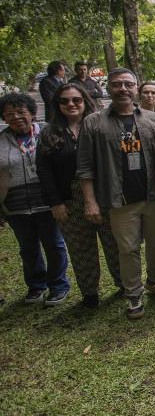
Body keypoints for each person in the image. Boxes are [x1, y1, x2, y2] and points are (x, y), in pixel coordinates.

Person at [77, 68, 155, 319]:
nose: (123, 89)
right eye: (117, 84)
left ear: (136, 87)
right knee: (128, 248)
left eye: (128, 84)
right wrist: (90, 202)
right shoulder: (93, 123)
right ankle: (133, 295)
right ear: (108, 87)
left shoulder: (153, 119)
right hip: (119, 199)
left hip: (153, 196)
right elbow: (85, 166)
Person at [37, 84, 121, 308]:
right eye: (64, 101)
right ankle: (90, 293)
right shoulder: (49, 132)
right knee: (81, 248)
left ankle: (124, 285)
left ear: (85, 101)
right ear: (57, 105)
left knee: (114, 243)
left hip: (103, 194)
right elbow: (44, 171)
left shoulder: (99, 126)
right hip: (68, 198)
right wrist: (55, 203)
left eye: (76, 100)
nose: (71, 104)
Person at [0, 92, 70, 305]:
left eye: (21, 112)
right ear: (3, 118)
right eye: (9, 114)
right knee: (28, 248)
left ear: (32, 113)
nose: (16, 117)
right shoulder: (1, 141)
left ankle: (58, 286)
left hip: (47, 200)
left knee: (54, 244)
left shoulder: (48, 133)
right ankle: (36, 286)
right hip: (15, 205)